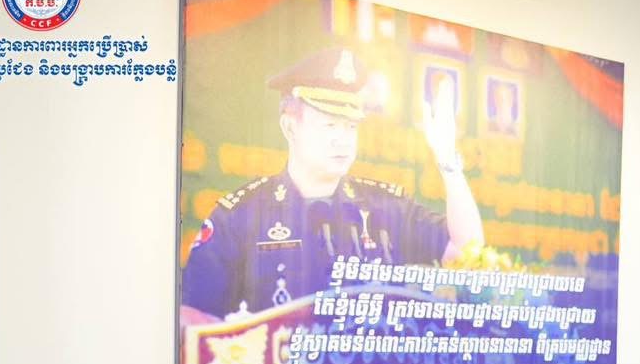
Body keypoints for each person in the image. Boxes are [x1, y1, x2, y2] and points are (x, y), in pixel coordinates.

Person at [181, 47, 486, 320]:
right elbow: (191, 314)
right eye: (329, 125)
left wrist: (448, 159)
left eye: (350, 127)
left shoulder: (386, 208)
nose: (343, 140)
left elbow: (466, 251)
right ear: (290, 127)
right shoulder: (240, 215)